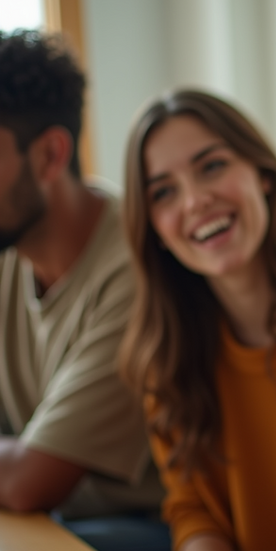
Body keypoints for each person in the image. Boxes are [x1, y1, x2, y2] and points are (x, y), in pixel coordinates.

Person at [117, 89, 276, 551]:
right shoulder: (166, 352)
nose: (196, 200)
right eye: (164, 192)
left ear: (262, 173)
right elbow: (190, 506)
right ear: (153, 228)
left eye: (211, 166)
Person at [0, 29, 168, 550]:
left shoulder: (138, 271)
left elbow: (28, 481)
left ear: (50, 155)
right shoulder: (9, 249)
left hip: (142, 528)